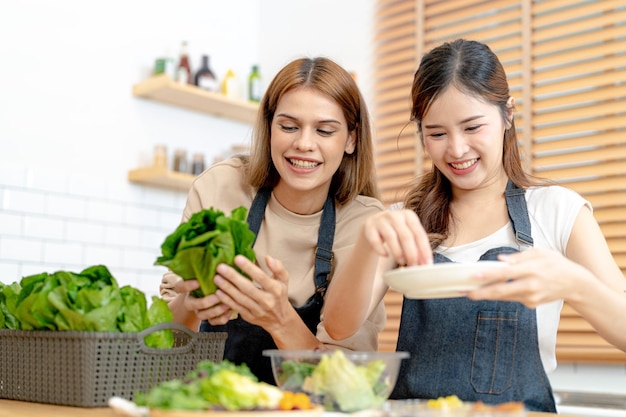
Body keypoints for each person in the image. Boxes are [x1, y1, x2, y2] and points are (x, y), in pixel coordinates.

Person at [323, 39, 626, 412]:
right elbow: (338, 327)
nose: (456, 150)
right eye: (437, 133)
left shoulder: (557, 210)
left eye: (472, 127)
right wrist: (369, 242)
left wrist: (574, 284)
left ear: (508, 115)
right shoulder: (406, 221)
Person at [159, 56, 386, 384]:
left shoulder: (366, 225)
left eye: (324, 130)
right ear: (269, 128)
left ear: (351, 139)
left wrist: (280, 320)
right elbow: (166, 340)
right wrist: (192, 303)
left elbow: (347, 384)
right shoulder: (219, 187)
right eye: (289, 126)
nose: (304, 144)